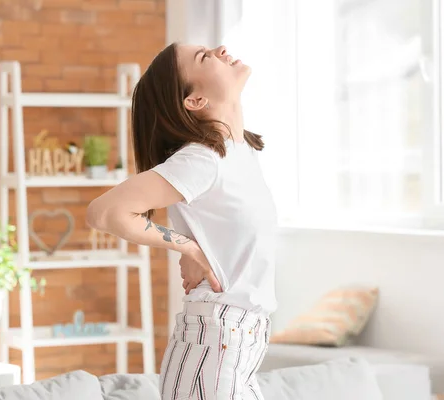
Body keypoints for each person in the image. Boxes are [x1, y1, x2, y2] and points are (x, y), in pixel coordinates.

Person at [85, 42, 278, 400]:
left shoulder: (240, 153)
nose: (220, 49)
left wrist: (192, 245)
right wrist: (187, 246)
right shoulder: (203, 159)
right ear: (194, 101)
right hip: (216, 345)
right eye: (205, 57)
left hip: (238, 347)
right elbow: (104, 212)